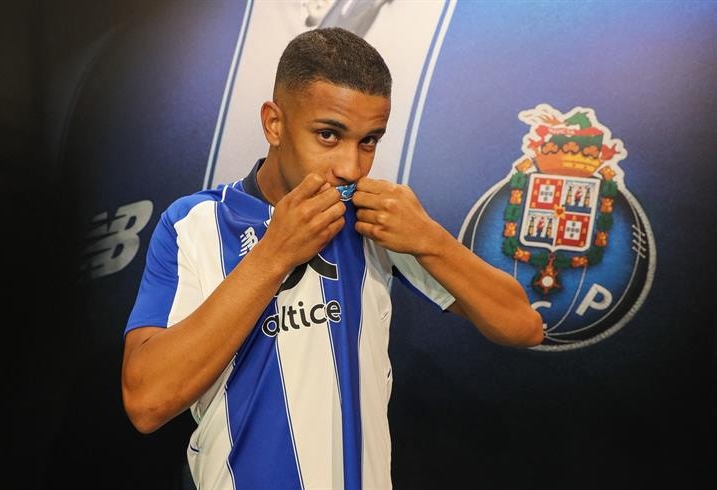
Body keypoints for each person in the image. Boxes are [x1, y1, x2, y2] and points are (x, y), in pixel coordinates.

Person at [121, 27, 543, 490]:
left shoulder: (373, 217)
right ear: (274, 124)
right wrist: (274, 254)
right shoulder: (195, 223)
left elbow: (522, 326)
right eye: (328, 135)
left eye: (369, 141)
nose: (351, 166)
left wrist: (432, 241)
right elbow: (146, 402)